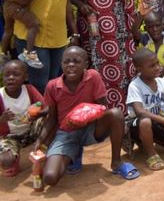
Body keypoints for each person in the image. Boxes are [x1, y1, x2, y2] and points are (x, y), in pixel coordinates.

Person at [35, 46, 139, 186]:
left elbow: (103, 107)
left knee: (115, 114)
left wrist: (84, 116)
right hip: (66, 133)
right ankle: (74, 152)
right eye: (67, 62)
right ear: (61, 64)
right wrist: (40, 141)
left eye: (76, 61)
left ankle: (116, 162)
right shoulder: (52, 86)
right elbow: (52, 118)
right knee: (50, 178)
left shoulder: (93, 76)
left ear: (86, 64)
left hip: (91, 128)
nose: (71, 65)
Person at [126, 48, 164, 171]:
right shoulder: (135, 85)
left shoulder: (161, 83)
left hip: (157, 123)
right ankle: (151, 154)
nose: (157, 67)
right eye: (152, 65)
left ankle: (150, 140)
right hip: (136, 124)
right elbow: (139, 111)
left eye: (157, 63)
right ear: (139, 69)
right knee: (145, 121)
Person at [0, 60, 44, 177]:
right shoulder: (0, 96)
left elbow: (47, 107)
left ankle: (47, 149)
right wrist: (1, 120)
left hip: (30, 131)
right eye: (7, 75)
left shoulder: (29, 90)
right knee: (6, 160)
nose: (11, 77)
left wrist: (35, 113)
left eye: (16, 74)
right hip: (10, 136)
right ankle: (13, 156)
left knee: (48, 119)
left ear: (25, 77)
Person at [133, 11, 164, 76]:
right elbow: (134, 30)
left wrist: (163, 69)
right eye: (150, 27)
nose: (155, 29)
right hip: (146, 78)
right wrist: (141, 15)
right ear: (145, 28)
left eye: (157, 25)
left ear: (163, 25)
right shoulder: (144, 39)